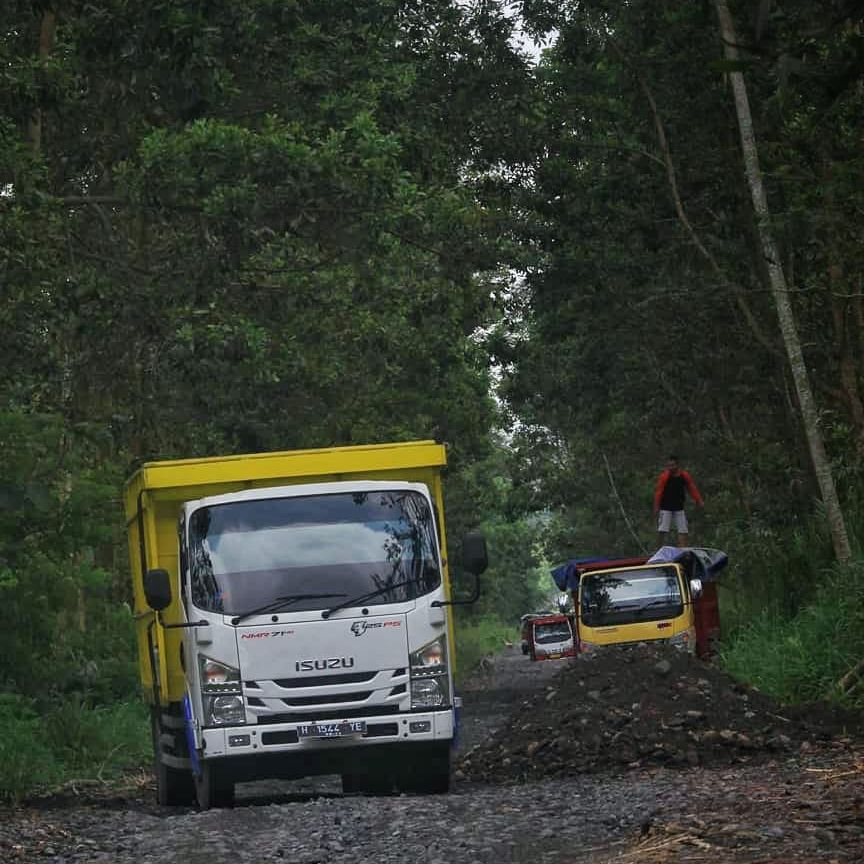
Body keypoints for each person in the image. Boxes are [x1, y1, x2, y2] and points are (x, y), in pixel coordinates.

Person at [653, 455, 704, 547]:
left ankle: (682, 550)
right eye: (669, 466)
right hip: (666, 507)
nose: (670, 468)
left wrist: (699, 500)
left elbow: (692, 488)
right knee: (662, 530)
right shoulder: (664, 477)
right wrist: (656, 507)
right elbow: (659, 492)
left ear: (677, 465)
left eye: (672, 465)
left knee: (683, 530)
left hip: (679, 507)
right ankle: (658, 550)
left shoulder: (684, 476)